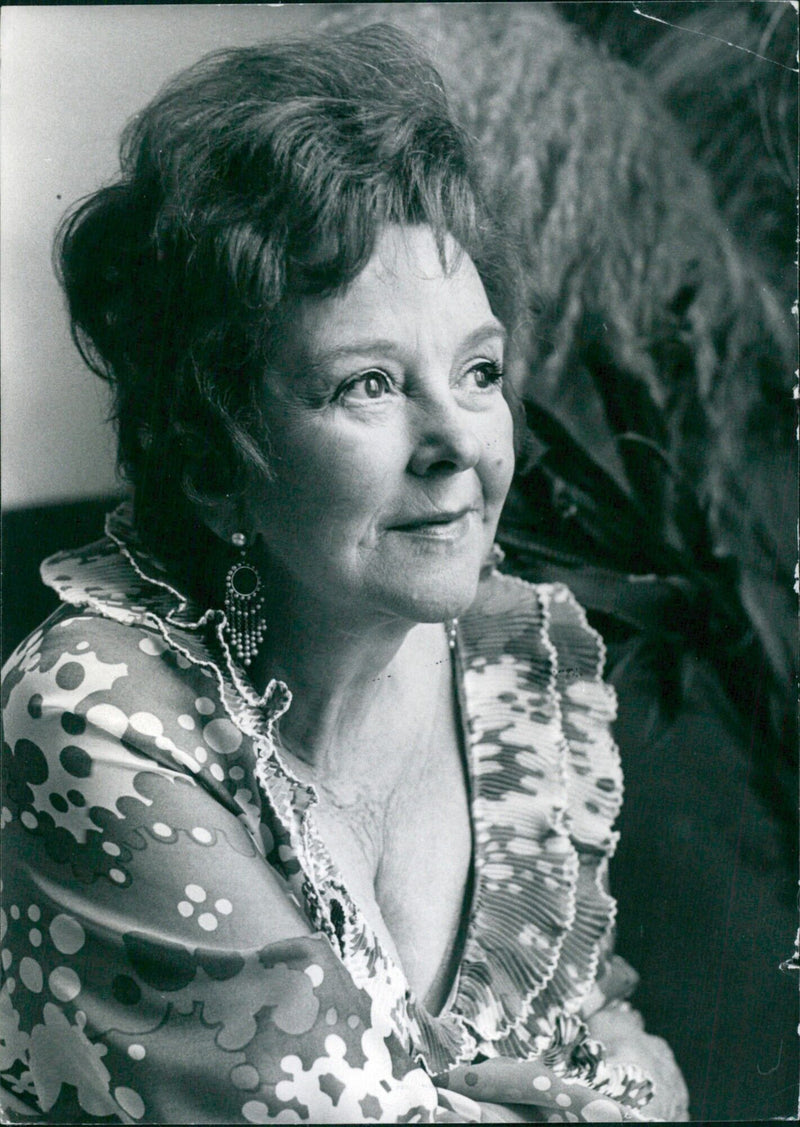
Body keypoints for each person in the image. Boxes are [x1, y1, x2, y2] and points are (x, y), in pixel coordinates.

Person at [0, 25, 689, 1124]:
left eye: (477, 371)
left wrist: (621, 1085)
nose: (459, 443)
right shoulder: (93, 713)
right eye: (367, 384)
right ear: (213, 457)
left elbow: (608, 1027)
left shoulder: (514, 664)